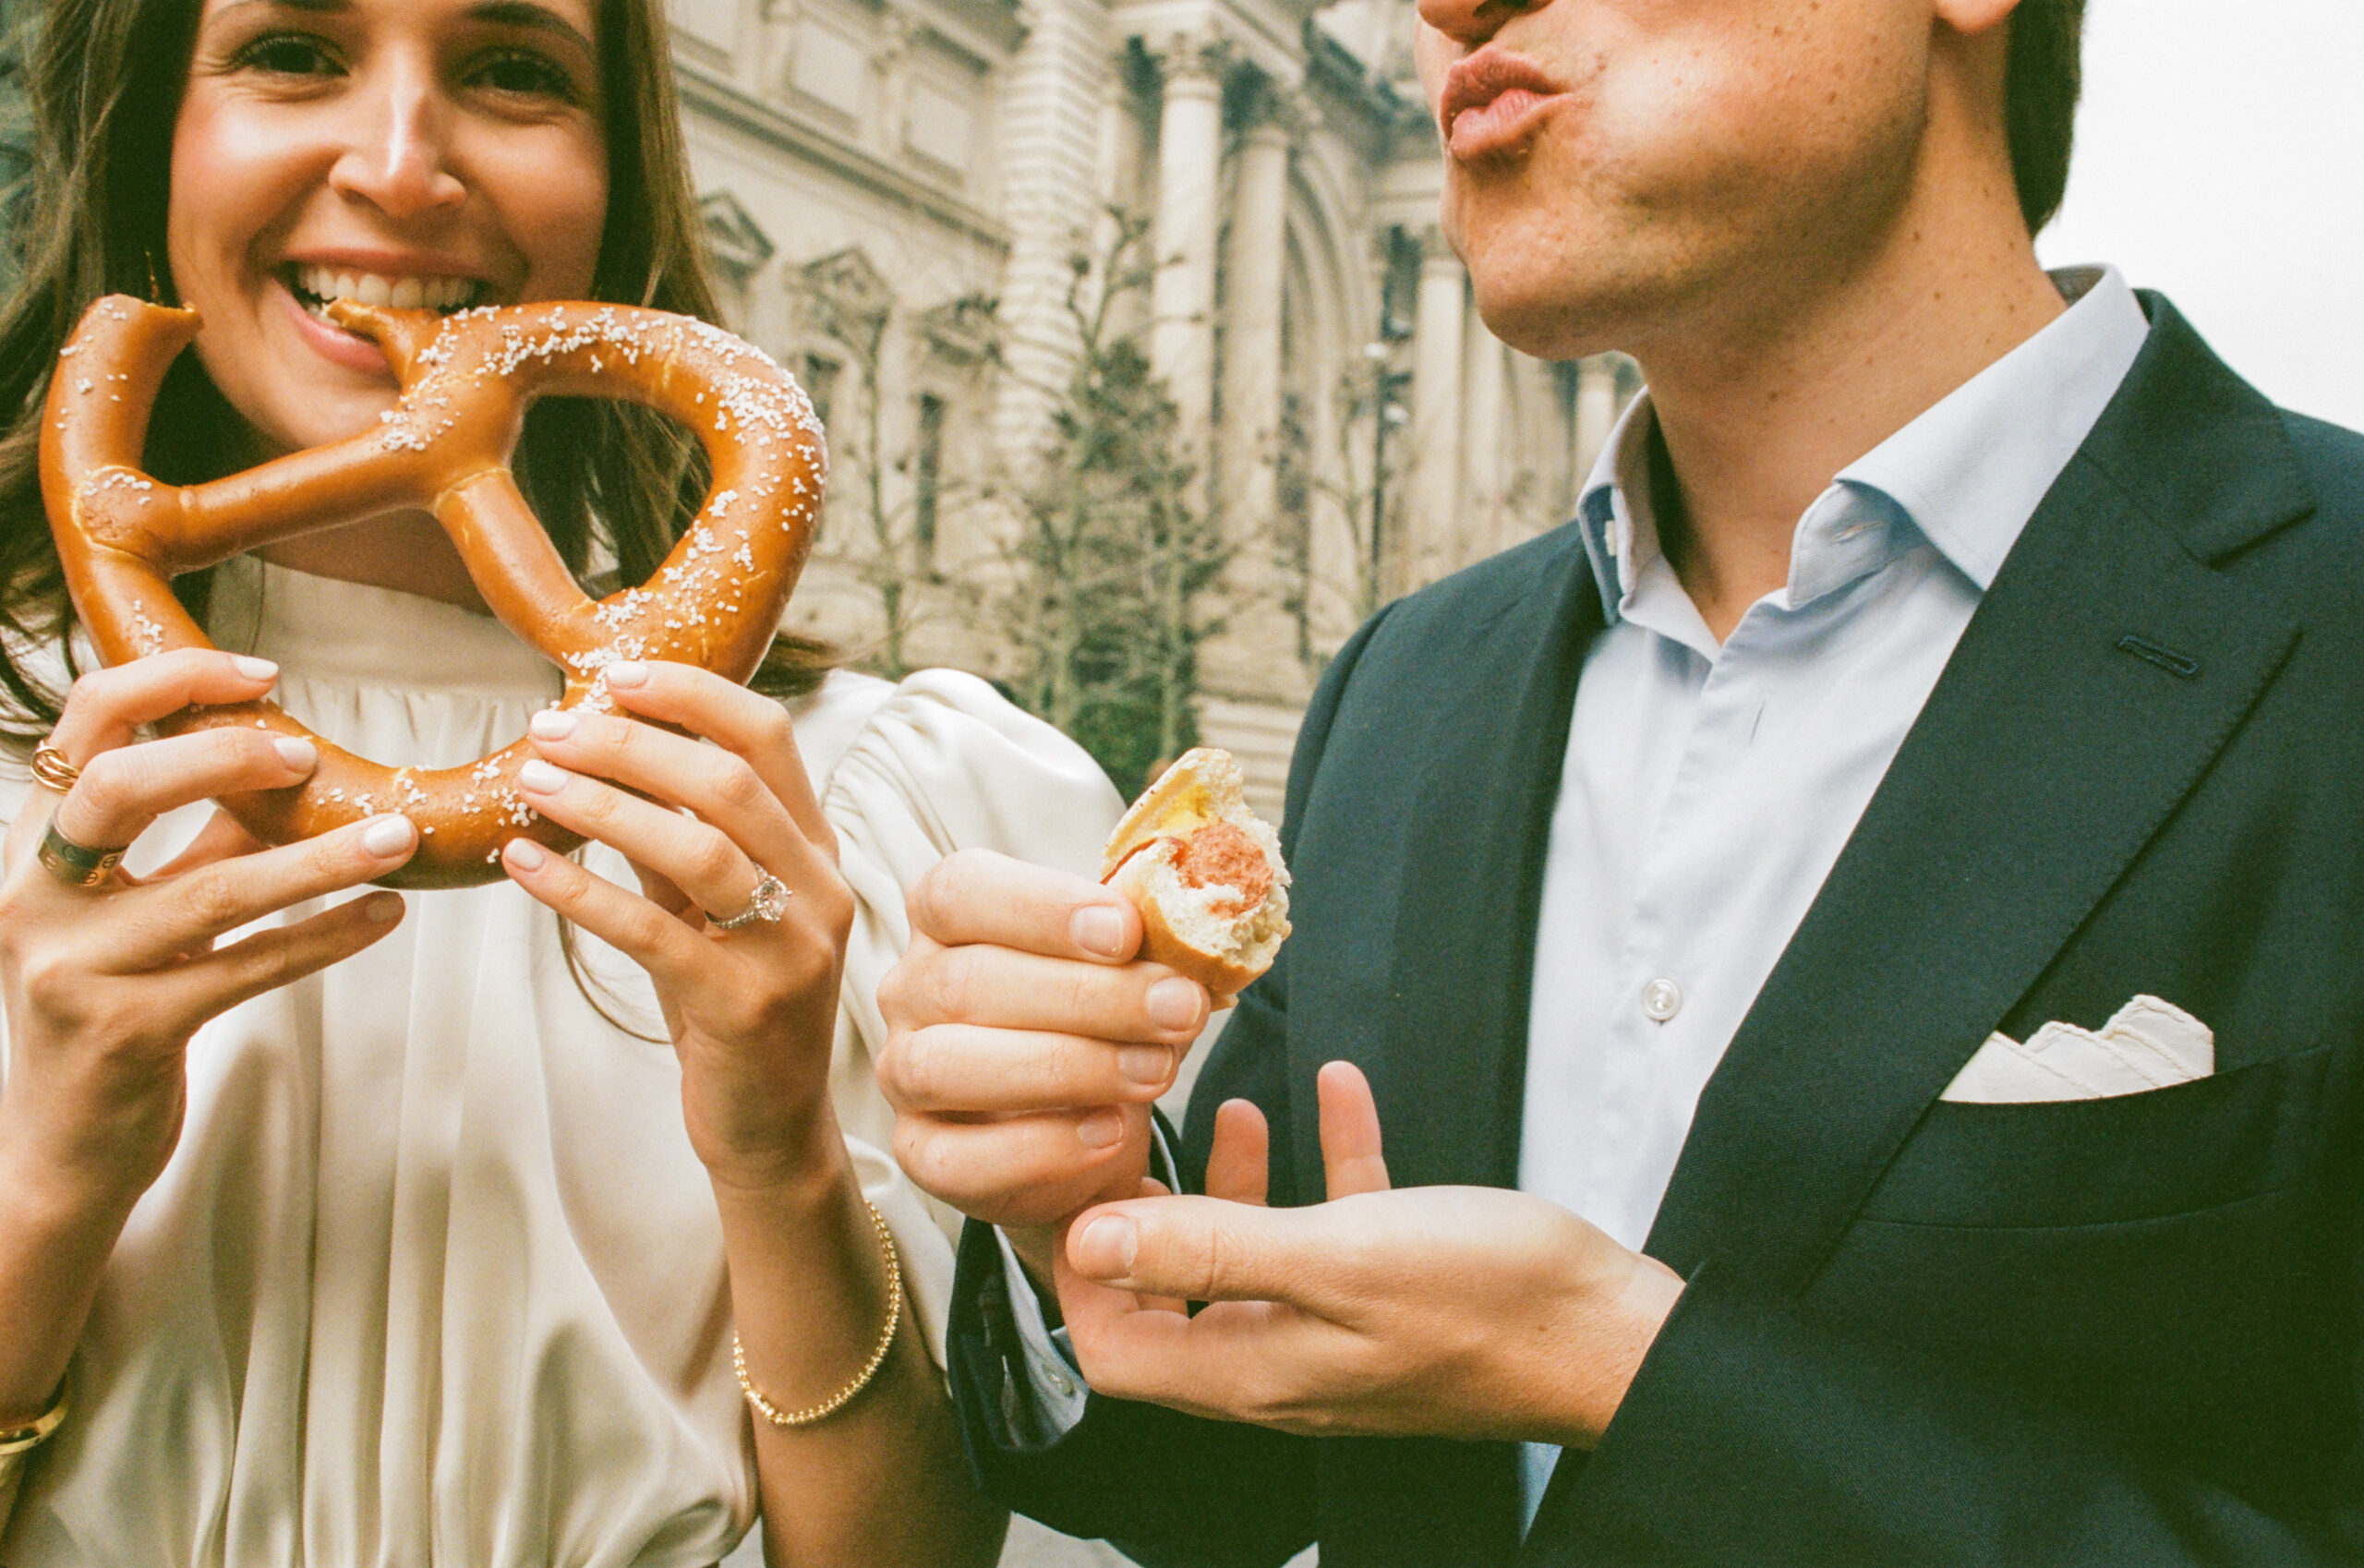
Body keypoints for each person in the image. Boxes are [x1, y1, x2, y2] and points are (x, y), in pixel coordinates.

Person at [874, 0, 2364, 1561]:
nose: (1445, 9)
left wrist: (1619, 1366)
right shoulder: (1405, 688)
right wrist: (1085, 1223)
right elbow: (1234, 1479)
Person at [0, 1, 1128, 1562]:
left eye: (513, 71)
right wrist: (46, 1183)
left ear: (622, 185)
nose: (399, 168)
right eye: (294, 52)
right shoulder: (28, 786)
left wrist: (781, 1154)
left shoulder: (868, 814)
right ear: (150, 135)